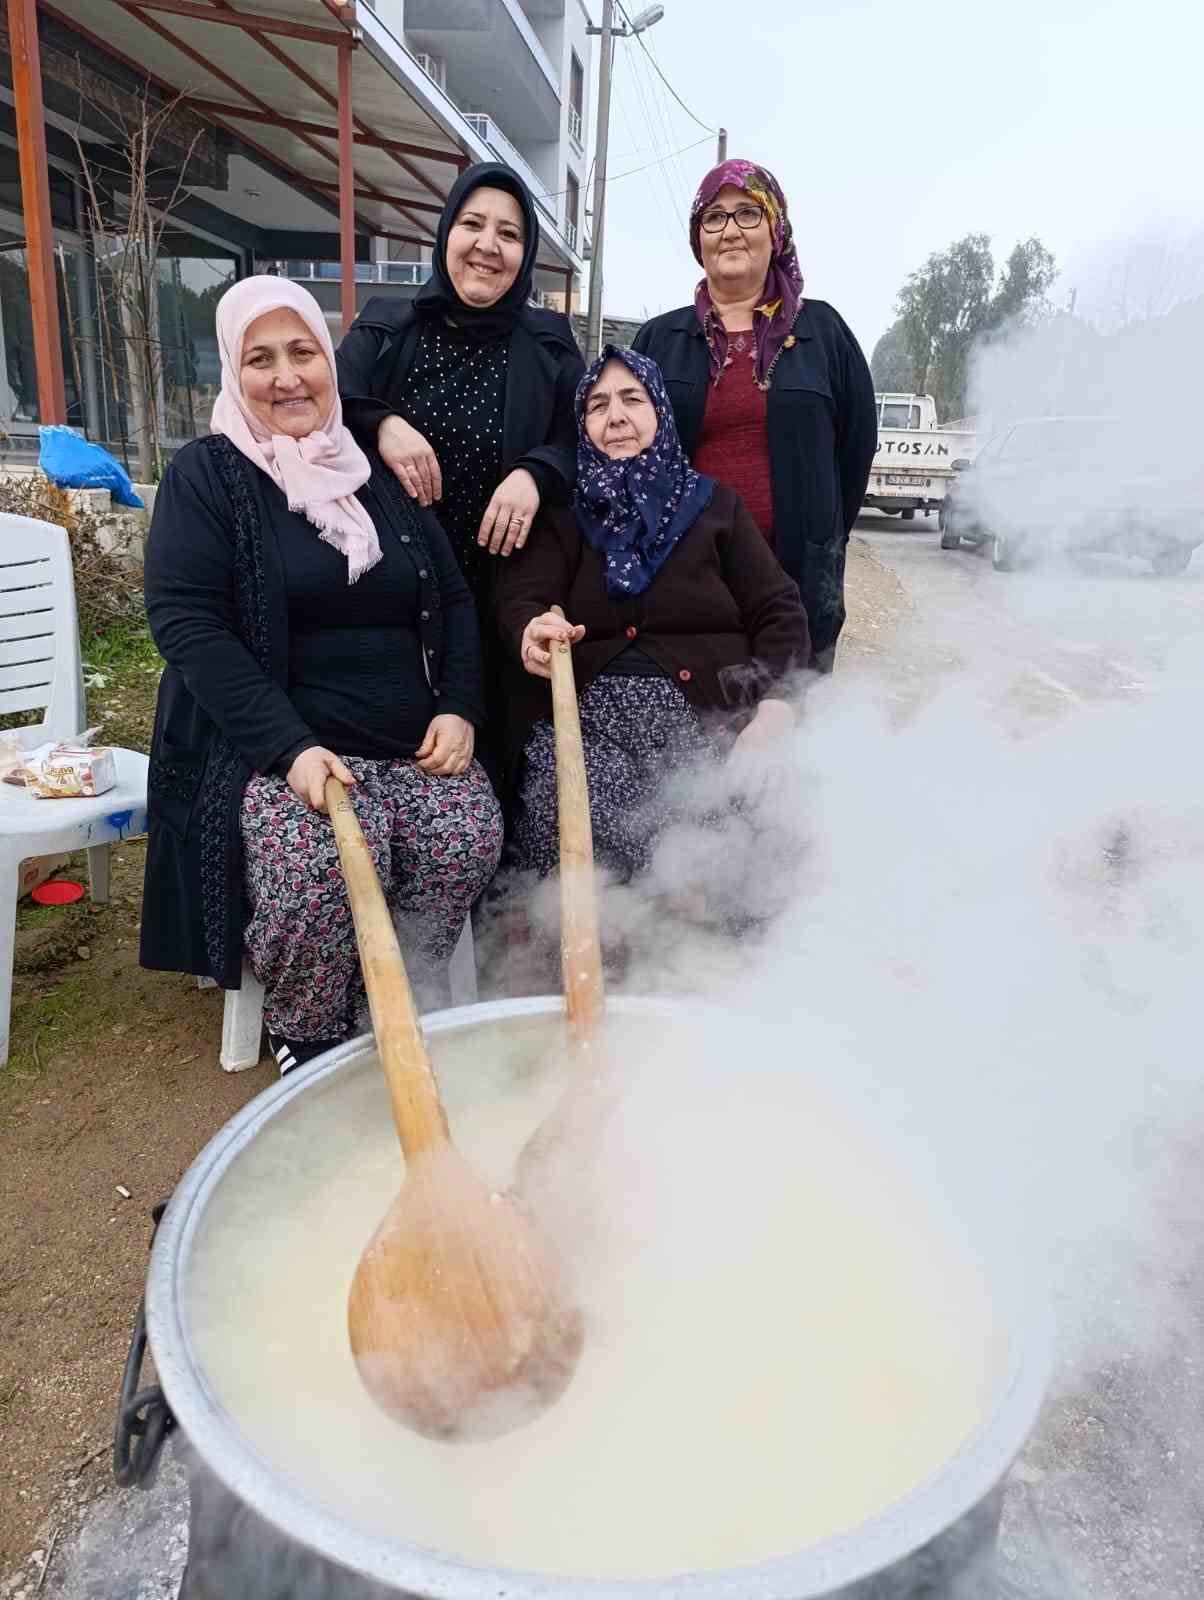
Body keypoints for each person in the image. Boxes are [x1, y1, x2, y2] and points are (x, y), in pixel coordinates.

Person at [140, 277, 502, 1073]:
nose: (287, 376)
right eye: (260, 359)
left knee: (466, 833)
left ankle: (394, 997)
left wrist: (462, 708)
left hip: (411, 743)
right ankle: (308, 1031)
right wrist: (289, 748)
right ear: (235, 376)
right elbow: (185, 622)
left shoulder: (373, 473)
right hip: (285, 754)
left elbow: (451, 597)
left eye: (303, 352)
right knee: (320, 861)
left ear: (329, 364)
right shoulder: (209, 475)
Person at [495, 345, 810, 885]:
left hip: (709, 715)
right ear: (583, 426)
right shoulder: (563, 515)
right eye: (597, 405)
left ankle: (707, 969)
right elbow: (520, 598)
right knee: (578, 821)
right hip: (587, 723)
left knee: (733, 832)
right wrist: (532, 630)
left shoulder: (716, 508)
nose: (615, 415)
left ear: (660, 413)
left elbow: (779, 609)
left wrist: (776, 709)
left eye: (632, 399)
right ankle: (593, 963)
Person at [336, 162, 584, 783]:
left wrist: (536, 471)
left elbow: (580, 436)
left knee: (496, 766)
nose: (487, 246)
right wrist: (381, 423)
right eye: (473, 224)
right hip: (391, 589)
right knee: (402, 757)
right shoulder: (389, 325)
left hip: (501, 586)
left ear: (525, 255)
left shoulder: (549, 342)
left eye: (509, 233)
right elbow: (325, 400)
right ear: (446, 231)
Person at [632, 159, 877, 672]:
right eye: (713, 218)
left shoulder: (824, 332)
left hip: (799, 581)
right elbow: (630, 460)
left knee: (789, 731)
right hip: (689, 584)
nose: (730, 231)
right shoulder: (660, 340)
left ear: (776, 229)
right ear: (698, 238)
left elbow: (854, 453)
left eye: (748, 213)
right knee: (695, 736)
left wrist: (822, 534)